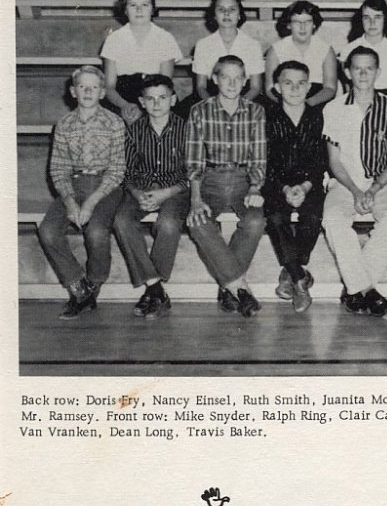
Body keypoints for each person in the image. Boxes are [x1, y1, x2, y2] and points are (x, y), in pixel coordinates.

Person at [38, 65, 126, 320]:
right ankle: (80, 288)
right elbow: (59, 168)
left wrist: (90, 204)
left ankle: (95, 282)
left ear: (102, 92)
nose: (88, 91)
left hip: (105, 187)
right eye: (82, 87)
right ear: (73, 92)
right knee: (47, 230)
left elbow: (117, 170)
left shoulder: (114, 122)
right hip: (73, 185)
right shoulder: (64, 124)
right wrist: (69, 200)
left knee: (96, 231)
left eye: (94, 87)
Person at [322, 46, 387, 317]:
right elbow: (334, 161)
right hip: (345, 182)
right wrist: (357, 191)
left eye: (369, 68)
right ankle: (366, 289)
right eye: (357, 68)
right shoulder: (333, 108)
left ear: (378, 72)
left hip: (382, 181)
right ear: (347, 72)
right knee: (333, 220)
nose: (363, 73)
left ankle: (354, 289)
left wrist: (374, 188)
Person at [185, 54, 267, 318]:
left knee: (255, 221)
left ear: (245, 81)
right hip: (210, 179)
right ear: (214, 79)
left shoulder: (256, 111)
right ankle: (239, 286)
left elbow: (259, 155)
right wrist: (196, 199)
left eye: (237, 78)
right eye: (225, 77)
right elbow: (195, 159)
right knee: (197, 221)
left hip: (244, 179)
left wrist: (255, 187)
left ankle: (227, 287)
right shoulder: (199, 111)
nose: (231, 83)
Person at [114, 75, 189, 319]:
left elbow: (194, 172)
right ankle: (155, 288)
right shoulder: (133, 131)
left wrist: (166, 192)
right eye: (150, 99)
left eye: (163, 98)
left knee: (167, 223)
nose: (157, 104)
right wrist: (137, 193)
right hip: (142, 190)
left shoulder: (187, 129)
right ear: (142, 102)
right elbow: (126, 173)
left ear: (173, 99)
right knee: (122, 221)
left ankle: (151, 291)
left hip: (175, 190)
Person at [262, 61, 327, 313]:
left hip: (310, 185)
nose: (295, 89)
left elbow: (321, 160)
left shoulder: (317, 116)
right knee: (276, 217)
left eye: (301, 84)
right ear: (277, 87)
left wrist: (305, 187)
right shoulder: (268, 117)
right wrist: (286, 189)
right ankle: (301, 280)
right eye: (288, 83)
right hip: (277, 186)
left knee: (312, 218)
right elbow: (265, 161)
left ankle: (291, 272)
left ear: (309, 86)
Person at [101, 0, 183, 126]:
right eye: (133, 5)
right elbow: (109, 86)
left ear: (152, 9)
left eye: (145, 5)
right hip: (121, 95)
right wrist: (124, 105)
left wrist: (147, 105)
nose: (139, 10)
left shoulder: (165, 38)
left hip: (154, 93)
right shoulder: (114, 39)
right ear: (125, 10)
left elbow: (165, 84)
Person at [192, 0, 264, 102]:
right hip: (212, 96)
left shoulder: (253, 45)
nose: (226, 13)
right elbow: (201, 86)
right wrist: (213, 105)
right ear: (214, 15)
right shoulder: (203, 45)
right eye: (221, 9)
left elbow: (255, 87)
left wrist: (239, 104)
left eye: (232, 9)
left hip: (246, 96)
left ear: (239, 14)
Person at [265, 0, 338, 107]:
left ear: (314, 24)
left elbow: (330, 88)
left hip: (316, 100)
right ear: (289, 25)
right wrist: (287, 104)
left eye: (307, 22)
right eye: (296, 22)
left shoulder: (326, 49)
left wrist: (308, 104)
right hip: (284, 100)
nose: (302, 27)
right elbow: (269, 89)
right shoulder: (276, 49)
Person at [340, 0, 387, 99]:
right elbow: (348, 89)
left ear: (385, 19)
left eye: (377, 17)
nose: (372, 23)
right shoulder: (348, 49)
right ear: (361, 20)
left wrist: (379, 110)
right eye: (366, 18)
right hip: (358, 98)